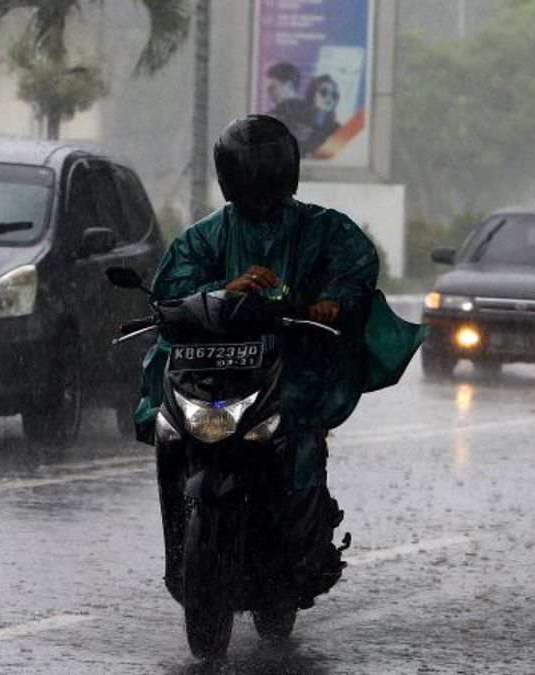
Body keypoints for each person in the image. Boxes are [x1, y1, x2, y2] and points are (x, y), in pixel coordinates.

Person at [133, 114, 425, 604]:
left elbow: (354, 265)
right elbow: (172, 291)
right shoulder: (205, 237)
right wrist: (225, 290)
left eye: (268, 179)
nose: (261, 193)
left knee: (298, 434)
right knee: (167, 415)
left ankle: (302, 538)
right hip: (210, 368)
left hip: (290, 364)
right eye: (251, 180)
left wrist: (332, 300)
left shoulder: (321, 229)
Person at [300, 74, 342, 157]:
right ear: (312, 94)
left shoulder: (338, 130)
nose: (329, 98)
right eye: (324, 92)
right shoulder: (299, 124)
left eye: (334, 95)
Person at [264, 62, 310, 134]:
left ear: (289, 85)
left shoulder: (308, 116)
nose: (268, 93)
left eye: (272, 88)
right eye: (268, 89)